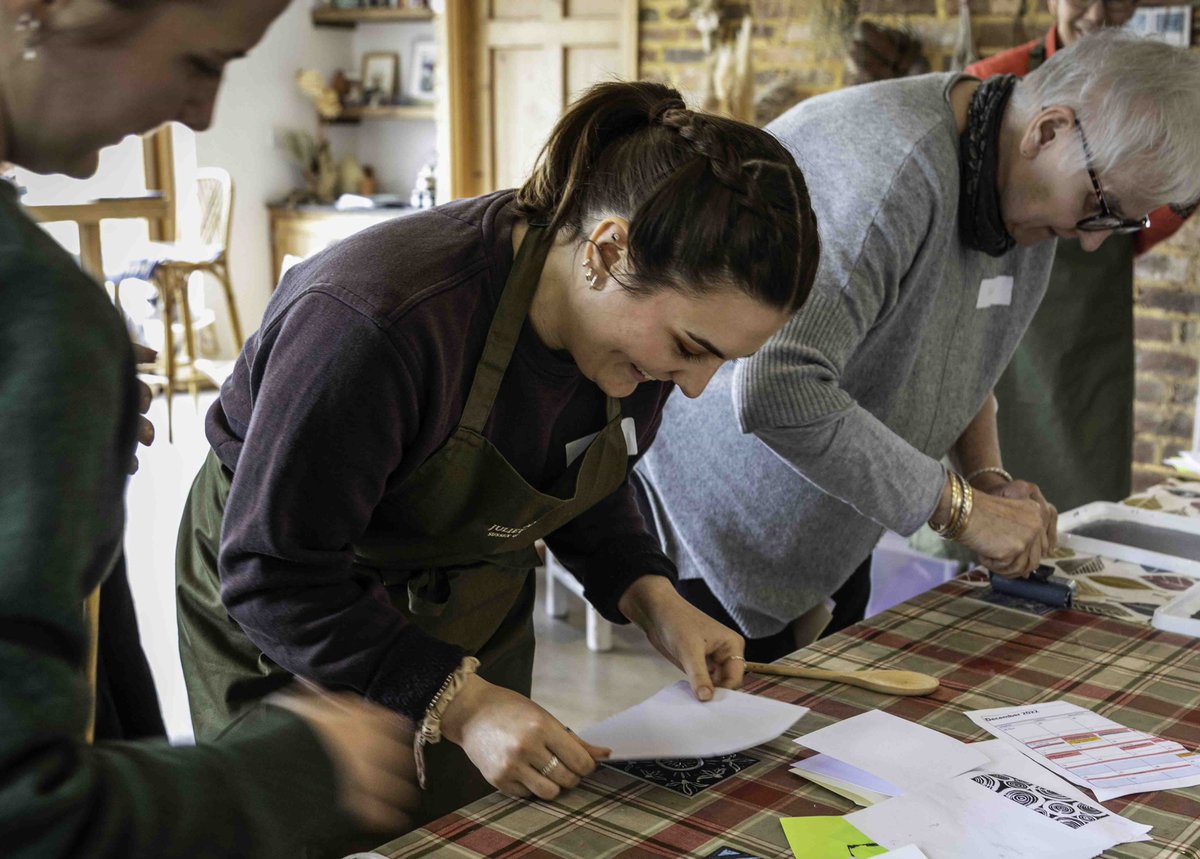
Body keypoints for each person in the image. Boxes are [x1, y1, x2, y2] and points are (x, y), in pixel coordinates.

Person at [174, 78, 820, 826]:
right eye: (689, 349)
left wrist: (651, 593)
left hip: (464, 590)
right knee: (310, 832)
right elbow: (270, 573)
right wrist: (462, 699)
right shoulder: (381, 321)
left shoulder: (631, 342)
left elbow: (583, 468)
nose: (698, 387)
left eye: (721, 360)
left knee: (472, 831)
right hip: (293, 597)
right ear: (607, 253)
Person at [0, 1, 422, 856]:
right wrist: (298, 764)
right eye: (201, 63)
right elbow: (28, 811)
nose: (203, 114)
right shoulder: (40, 317)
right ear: (42, 10)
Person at [632, 31, 1200, 660]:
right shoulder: (888, 169)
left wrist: (986, 481)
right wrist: (959, 510)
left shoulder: (1024, 198)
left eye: (1121, 223)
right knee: (744, 749)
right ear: (1048, 130)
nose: (1093, 240)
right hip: (719, 520)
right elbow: (774, 387)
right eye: (1101, 207)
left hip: (833, 519)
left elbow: (970, 352)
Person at [965, 0, 1190, 511]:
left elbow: (1153, 218)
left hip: (1087, 324)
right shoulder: (994, 83)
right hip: (997, 320)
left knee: (1083, 501)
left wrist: (1121, 221)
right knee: (983, 484)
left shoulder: (1147, 100)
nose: (1096, 12)